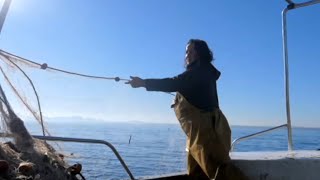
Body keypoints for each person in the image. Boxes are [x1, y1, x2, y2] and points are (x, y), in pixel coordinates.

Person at [126, 39, 249, 180]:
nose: (187, 55)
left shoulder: (200, 71)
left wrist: (143, 82)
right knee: (197, 173)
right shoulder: (202, 71)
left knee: (221, 172)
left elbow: (174, 83)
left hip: (206, 131)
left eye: (191, 51)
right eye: (186, 52)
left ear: (201, 53)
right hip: (198, 132)